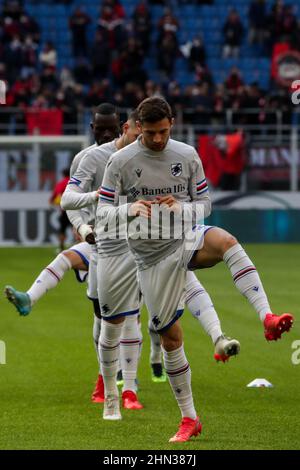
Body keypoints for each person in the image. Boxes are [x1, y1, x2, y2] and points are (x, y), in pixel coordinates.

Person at [97, 96, 293, 442]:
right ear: (138, 127)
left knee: (227, 241)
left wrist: (184, 209)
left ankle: (267, 317)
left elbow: (204, 204)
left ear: (172, 122)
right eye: (151, 133)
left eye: (164, 131)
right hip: (151, 257)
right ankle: (190, 418)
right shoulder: (120, 161)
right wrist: (128, 211)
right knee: (172, 338)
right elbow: (102, 212)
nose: (158, 140)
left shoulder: (187, 155)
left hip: (185, 236)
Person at [4, 103, 121, 404]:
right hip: (99, 241)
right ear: (92, 128)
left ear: (121, 127)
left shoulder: (130, 156)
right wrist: (84, 230)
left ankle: (140, 375)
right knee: (98, 307)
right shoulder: (83, 160)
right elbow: (71, 204)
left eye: (112, 127)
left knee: (140, 318)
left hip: (133, 243)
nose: (107, 133)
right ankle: (30, 298)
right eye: (101, 127)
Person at [49, 168, 72, 252]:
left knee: (62, 230)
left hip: (65, 210)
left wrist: (54, 203)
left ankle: (61, 248)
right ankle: (78, 247)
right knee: (76, 228)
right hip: (75, 209)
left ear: (62, 174)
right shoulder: (74, 182)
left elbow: (54, 196)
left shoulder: (61, 183)